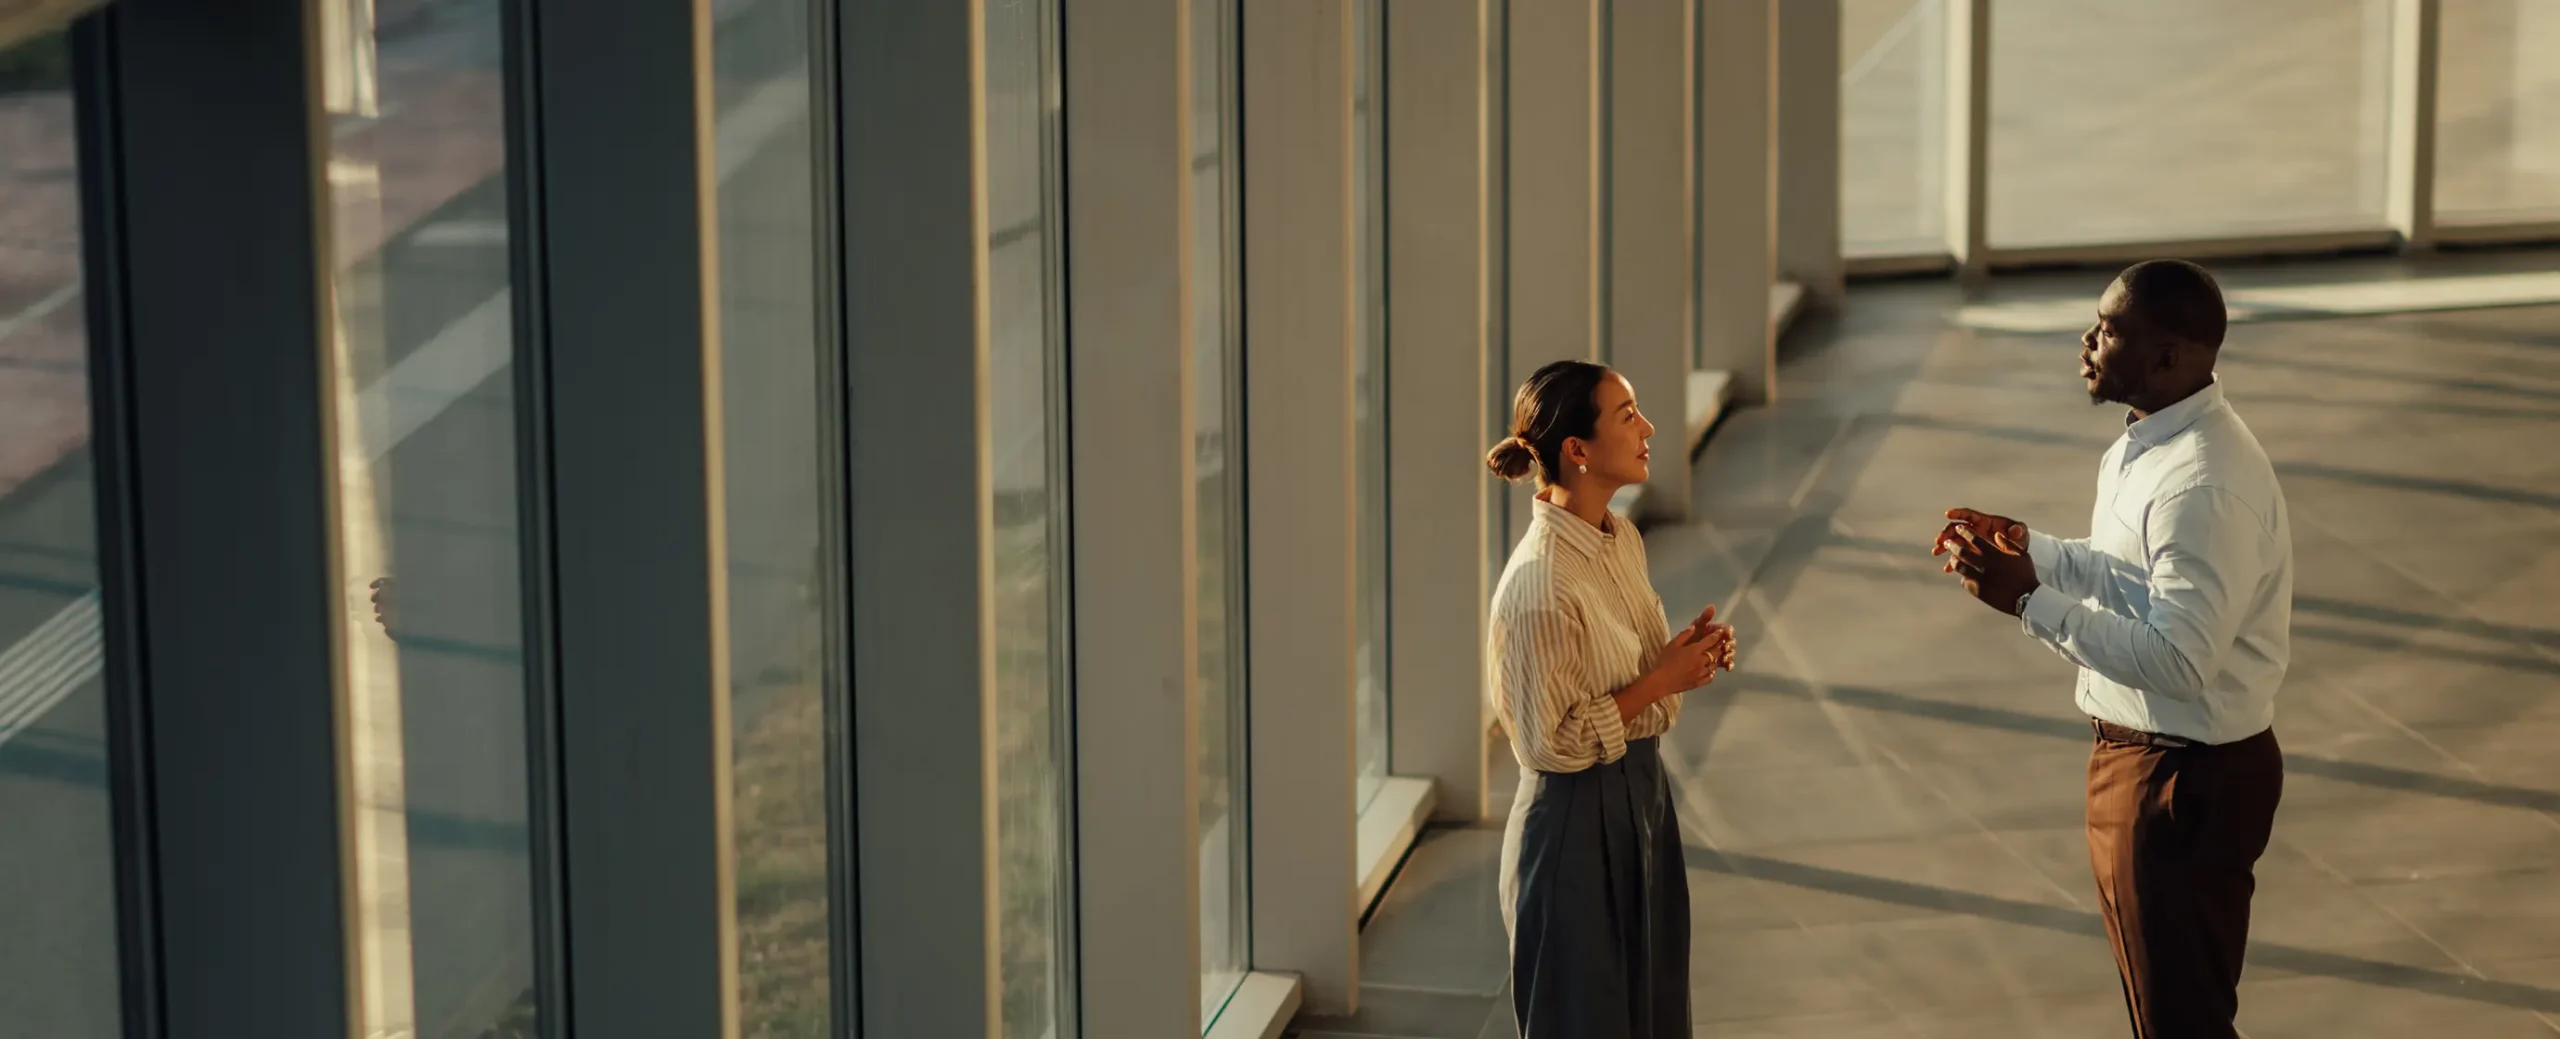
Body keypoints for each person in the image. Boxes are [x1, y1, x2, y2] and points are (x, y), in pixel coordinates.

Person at [1935, 259, 2293, 1039]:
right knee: (2165, 1008)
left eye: (2108, 330)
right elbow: (2132, 575)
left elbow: (2180, 661)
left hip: (2181, 781)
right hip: (2153, 764)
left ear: (2171, 358)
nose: (2087, 341)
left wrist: (2029, 599)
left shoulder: (2202, 485)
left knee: (2181, 1021)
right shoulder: (2150, 442)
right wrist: (2037, 553)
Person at [1486, 359, 1733, 1038]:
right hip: (1572, 825)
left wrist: (1682, 660)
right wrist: (1658, 680)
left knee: (1653, 1012)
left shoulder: (1617, 538)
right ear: (1577, 450)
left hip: (1641, 799)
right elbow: (1548, 743)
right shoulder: (1539, 586)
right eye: (1628, 416)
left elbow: (1636, 686)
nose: (1648, 428)